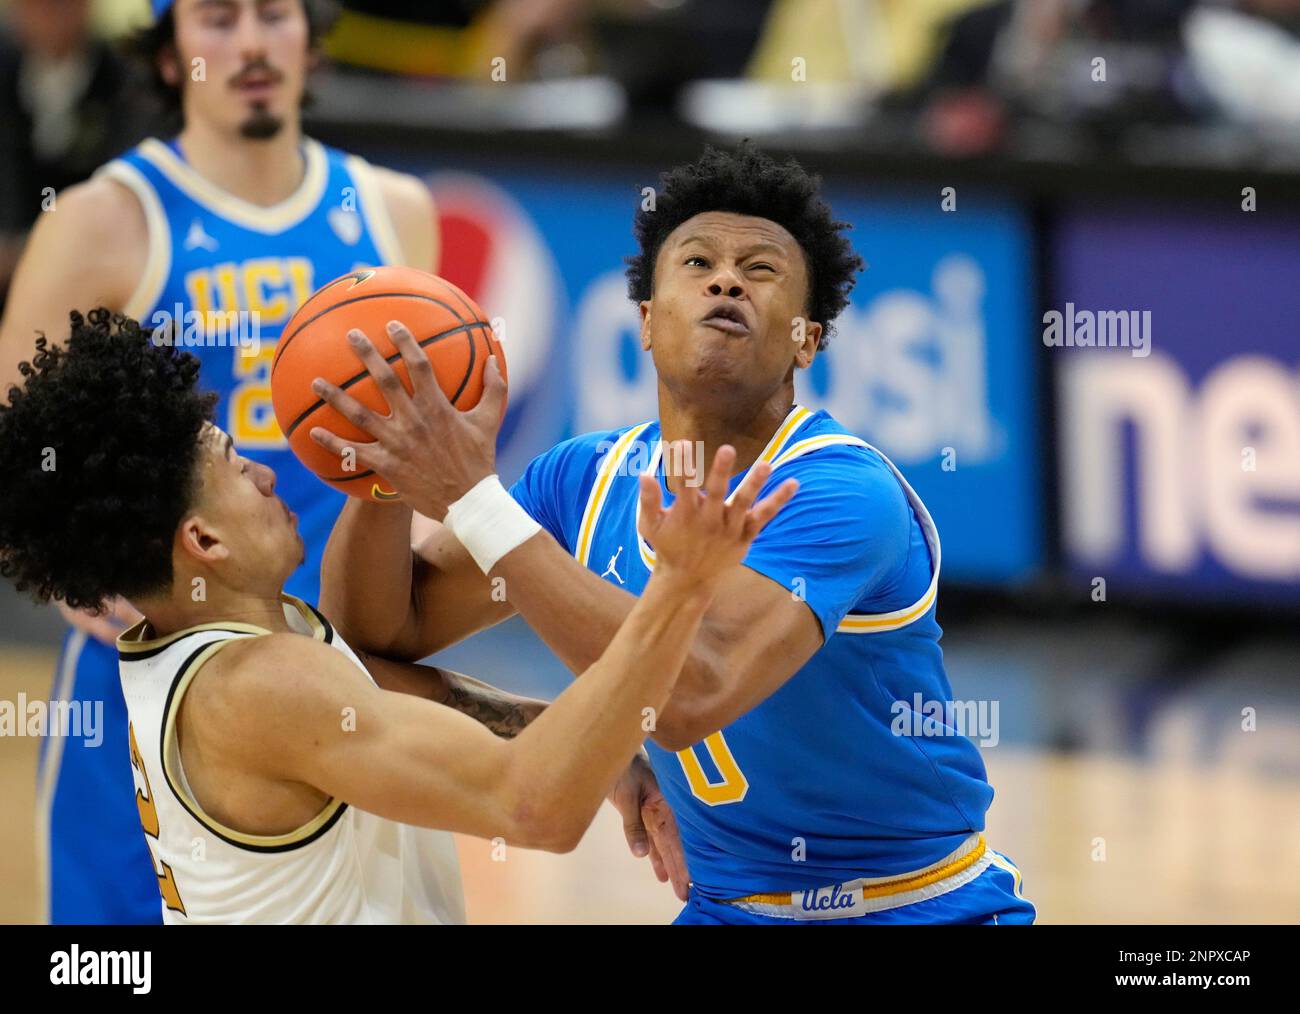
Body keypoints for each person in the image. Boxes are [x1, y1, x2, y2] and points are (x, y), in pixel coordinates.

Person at [313, 142, 1037, 924]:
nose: (726, 279)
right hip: (725, 908)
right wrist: (387, 466)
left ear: (807, 338)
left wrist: (473, 498)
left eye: (761, 270)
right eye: (697, 262)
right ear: (649, 323)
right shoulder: (581, 480)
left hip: (916, 907)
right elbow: (376, 634)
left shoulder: (839, 489)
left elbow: (692, 692)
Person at [0, 309, 794, 923]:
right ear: (201, 539)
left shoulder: (217, 645)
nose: (268, 476)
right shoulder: (259, 685)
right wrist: (678, 591)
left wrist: (616, 763)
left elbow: (395, 687)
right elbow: (533, 806)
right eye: (238, 469)